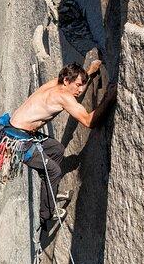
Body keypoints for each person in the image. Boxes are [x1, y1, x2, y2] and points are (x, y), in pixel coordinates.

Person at [9, 61, 117, 227]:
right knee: (54, 171)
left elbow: (74, 86)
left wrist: (89, 72)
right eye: (78, 85)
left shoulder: (55, 83)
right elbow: (89, 121)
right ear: (67, 81)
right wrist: (109, 98)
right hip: (18, 142)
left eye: (82, 85)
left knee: (56, 149)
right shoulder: (63, 97)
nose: (80, 90)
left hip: (17, 131)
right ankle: (47, 215)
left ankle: (50, 193)